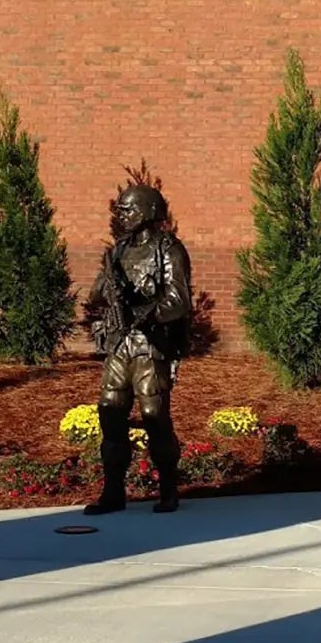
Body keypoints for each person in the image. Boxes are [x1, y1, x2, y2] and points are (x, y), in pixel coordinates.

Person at [83, 182, 192, 514]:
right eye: (121, 210)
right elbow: (95, 294)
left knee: (154, 417)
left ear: (148, 211)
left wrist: (142, 313)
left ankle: (168, 490)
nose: (123, 215)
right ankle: (113, 492)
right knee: (110, 414)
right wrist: (108, 290)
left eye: (129, 209)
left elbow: (178, 300)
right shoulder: (118, 251)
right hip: (119, 345)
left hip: (150, 346)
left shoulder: (169, 249)